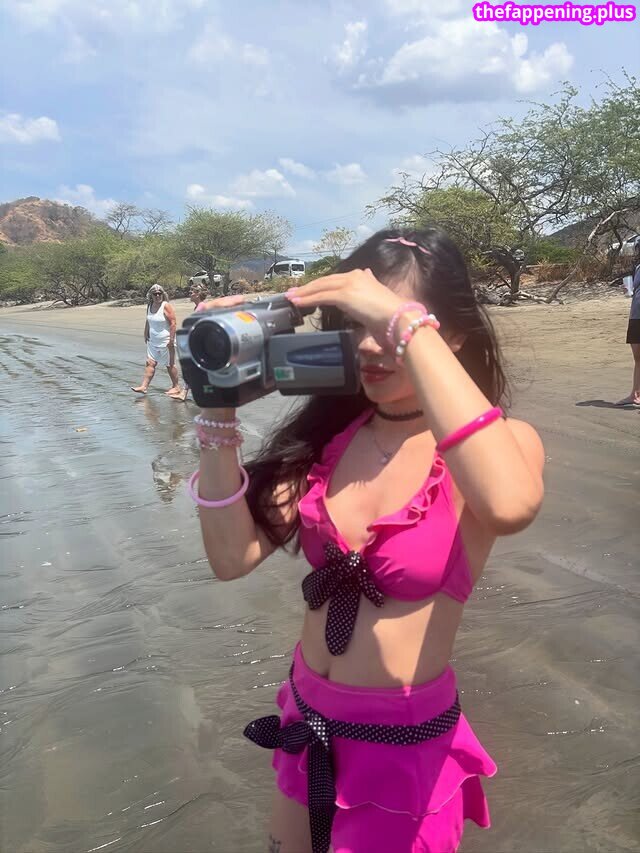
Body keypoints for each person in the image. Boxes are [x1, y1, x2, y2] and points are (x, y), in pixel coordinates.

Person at [188, 229, 545, 853]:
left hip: (402, 747)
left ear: (451, 335)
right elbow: (230, 556)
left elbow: (510, 505)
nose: (370, 345)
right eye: (354, 324)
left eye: (389, 324)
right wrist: (217, 408)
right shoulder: (327, 443)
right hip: (307, 721)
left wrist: (402, 324)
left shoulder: (501, 447)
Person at [131, 284, 182, 396]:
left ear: (163, 294)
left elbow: (173, 323)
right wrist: (145, 333)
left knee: (170, 364)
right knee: (150, 363)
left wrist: (171, 340)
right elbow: (148, 320)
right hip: (153, 341)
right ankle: (144, 387)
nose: (158, 295)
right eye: (155, 294)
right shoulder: (150, 305)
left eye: (160, 293)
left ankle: (176, 387)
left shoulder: (166, 306)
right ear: (151, 295)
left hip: (166, 341)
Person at [172, 280, 209, 402]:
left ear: (197, 294)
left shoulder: (201, 307)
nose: (190, 294)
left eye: (191, 292)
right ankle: (186, 393)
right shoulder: (198, 307)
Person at [616, 241, 640, 408]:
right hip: (636, 314)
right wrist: (628, 291)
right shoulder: (637, 267)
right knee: (638, 357)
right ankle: (635, 394)